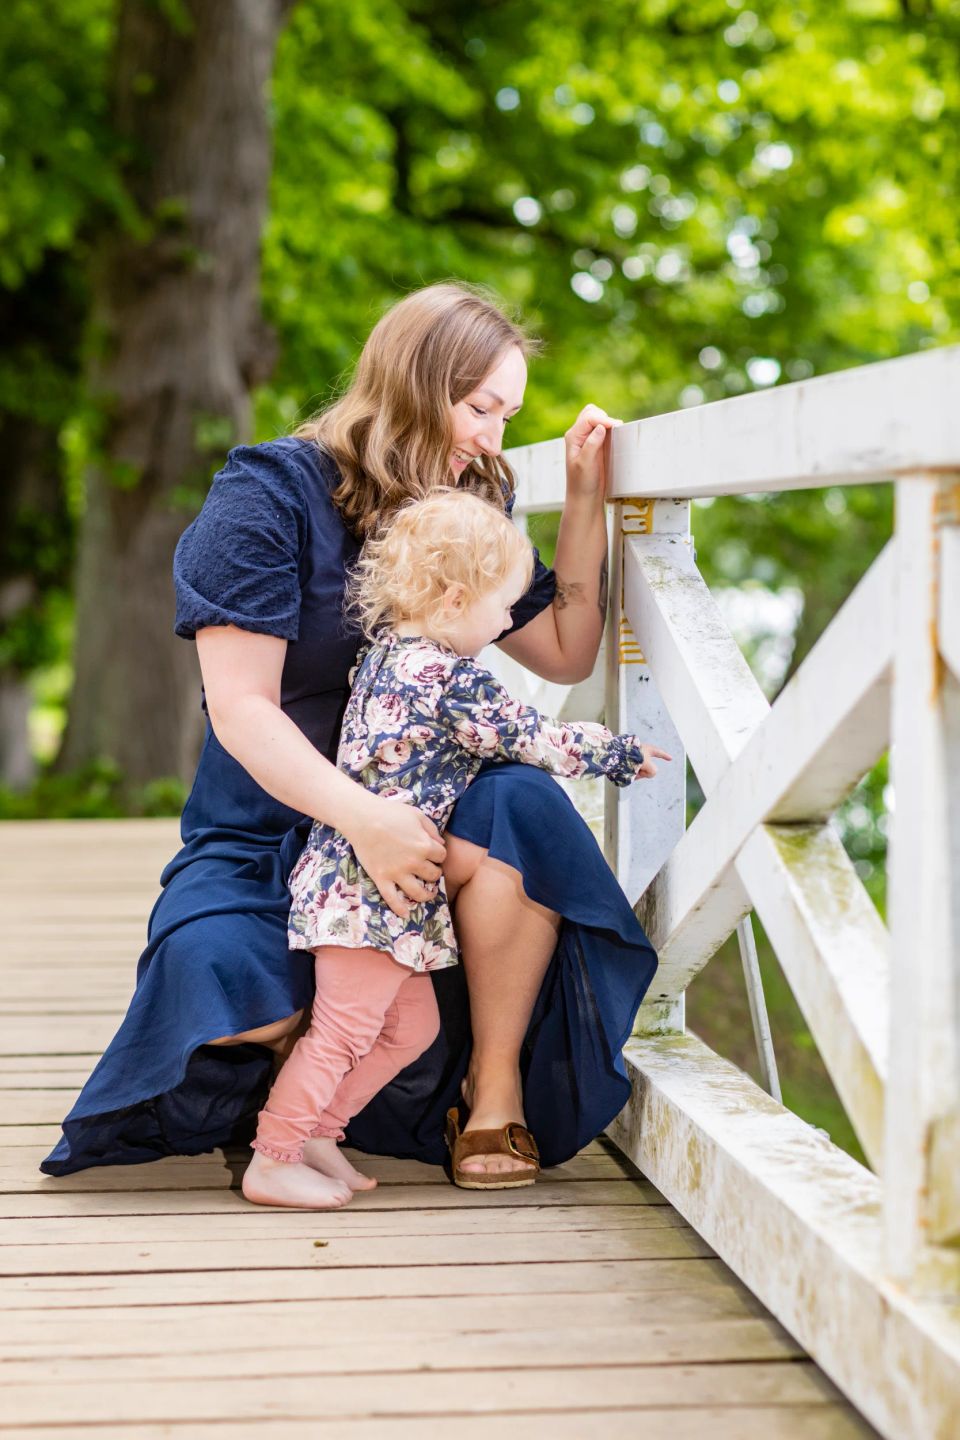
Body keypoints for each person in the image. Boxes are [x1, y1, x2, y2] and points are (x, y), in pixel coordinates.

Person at [41, 280, 660, 1187]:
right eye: (481, 407)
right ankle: (298, 1078)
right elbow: (243, 706)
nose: (493, 435)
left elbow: (566, 651)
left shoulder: (472, 497)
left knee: (521, 800)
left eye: (509, 413)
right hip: (272, 825)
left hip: (429, 816)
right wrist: (362, 820)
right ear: (415, 385)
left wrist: (581, 500)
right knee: (220, 992)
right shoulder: (267, 493)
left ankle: (490, 1096)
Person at [243, 491, 669, 1207]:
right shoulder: (447, 679)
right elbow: (534, 737)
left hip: (376, 886)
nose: (509, 623)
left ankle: (322, 1130)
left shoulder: (385, 655)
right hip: (369, 893)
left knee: (410, 1030)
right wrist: (620, 754)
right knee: (344, 1031)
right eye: (502, 607)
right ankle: (274, 1153)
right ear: (451, 601)